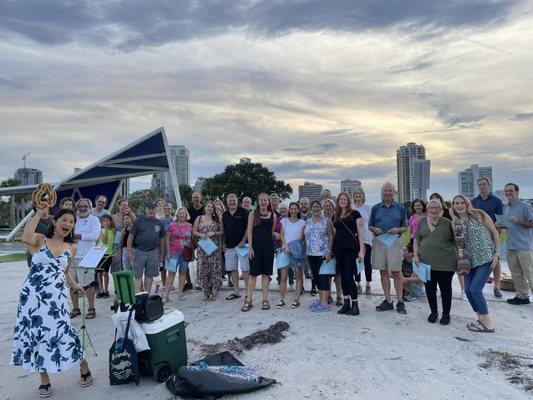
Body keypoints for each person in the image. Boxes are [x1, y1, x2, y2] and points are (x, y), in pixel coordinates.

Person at [14, 206, 93, 398]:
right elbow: (25, 238)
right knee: (37, 337)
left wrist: (75, 286)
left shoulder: (72, 247)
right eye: (64, 220)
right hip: (31, 298)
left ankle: (83, 365)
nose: (68, 224)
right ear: (55, 222)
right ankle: (44, 381)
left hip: (56, 298)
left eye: (71, 222)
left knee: (63, 332)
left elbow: (65, 273)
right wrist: (37, 214)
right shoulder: (40, 240)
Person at [451, 194, 499, 332]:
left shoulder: (479, 214)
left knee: (475, 290)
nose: (459, 205)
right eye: (456, 203)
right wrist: (456, 224)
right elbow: (460, 244)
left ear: (467, 204)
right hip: (468, 261)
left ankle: (488, 324)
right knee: (467, 290)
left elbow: (494, 233)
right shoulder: (457, 223)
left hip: (485, 258)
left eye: (462, 202)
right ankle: (481, 319)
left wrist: (497, 253)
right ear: (453, 206)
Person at [413, 199, 458, 325]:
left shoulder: (447, 222)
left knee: (445, 289)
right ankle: (434, 312)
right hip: (426, 261)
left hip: (446, 262)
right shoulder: (422, 222)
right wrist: (415, 255)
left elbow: (457, 240)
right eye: (431, 207)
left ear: (440, 209)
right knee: (430, 289)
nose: (433, 210)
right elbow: (416, 239)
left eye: (436, 208)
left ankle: (446, 314)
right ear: (427, 209)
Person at [369, 182, 408, 314]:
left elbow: (405, 227)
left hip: (394, 242)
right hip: (379, 242)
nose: (387, 193)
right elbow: (370, 225)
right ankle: (388, 300)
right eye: (385, 190)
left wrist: (397, 229)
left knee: (397, 271)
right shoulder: (375, 208)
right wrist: (374, 229)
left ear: (394, 192)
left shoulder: (400, 208)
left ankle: (400, 301)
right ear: (382, 192)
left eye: (390, 191)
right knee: (383, 271)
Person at [499, 183, 533, 305]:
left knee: (530, 274)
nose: (509, 193)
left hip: (524, 246)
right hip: (510, 245)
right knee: (516, 273)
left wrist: (518, 221)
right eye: (506, 191)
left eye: (511, 190)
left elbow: (531, 223)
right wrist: (500, 224)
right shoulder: (505, 207)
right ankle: (522, 296)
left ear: (517, 192)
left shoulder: (525, 206)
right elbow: (508, 225)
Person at [242, 193, 277, 311]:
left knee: (266, 274)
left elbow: (271, 233)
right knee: (253, 274)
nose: (263, 202)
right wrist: (250, 247)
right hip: (255, 248)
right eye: (261, 200)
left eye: (265, 200)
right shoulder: (252, 213)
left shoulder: (273, 215)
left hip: (268, 248)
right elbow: (250, 231)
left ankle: (265, 300)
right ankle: (248, 300)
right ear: (258, 201)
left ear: (268, 202)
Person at [472, 177, 504, 298]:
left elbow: (500, 221)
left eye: (484, 184)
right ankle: (478, 287)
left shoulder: (496, 201)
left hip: (492, 234)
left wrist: (497, 236)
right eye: (479, 185)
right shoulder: (474, 201)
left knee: (495, 261)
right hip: (478, 236)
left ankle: (496, 287)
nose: (482, 186)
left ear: (488, 185)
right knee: (479, 260)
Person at [333, 192, 365, 316]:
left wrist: (362, 250)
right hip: (339, 249)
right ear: (338, 201)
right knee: (342, 277)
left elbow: (361, 233)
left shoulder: (355, 214)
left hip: (352, 249)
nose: (342, 201)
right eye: (340, 199)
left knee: (348, 276)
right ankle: (346, 303)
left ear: (348, 200)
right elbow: (334, 234)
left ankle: (355, 305)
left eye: (345, 199)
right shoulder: (336, 215)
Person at [69, 198, 100, 320]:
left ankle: (91, 308)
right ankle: (76, 308)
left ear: (90, 207)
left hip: (87, 257)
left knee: (88, 285)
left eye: (85, 206)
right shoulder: (73, 219)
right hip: (72, 256)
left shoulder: (94, 220)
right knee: (72, 285)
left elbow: (95, 236)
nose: (83, 208)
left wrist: (77, 236)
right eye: (80, 206)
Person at [431, 192, 465, 299]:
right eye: (433, 200)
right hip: (438, 246)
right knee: (440, 269)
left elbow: (458, 224)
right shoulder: (431, 214)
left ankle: (464, 290)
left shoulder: (448, 212)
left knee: (459, 267)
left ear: (441, 200)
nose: (435, 202)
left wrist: (459, 240)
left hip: (453, 243)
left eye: (437, 199)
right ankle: (442, 290)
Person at [127, 201, 165, 293]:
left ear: (156, 210)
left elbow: (162, 240)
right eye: (149, 208)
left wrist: (161, 255)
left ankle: (146, 296)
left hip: (153, 252)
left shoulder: (159, 223)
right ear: (146, 209)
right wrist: (129, 251)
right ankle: (139, 296)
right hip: (139, 252)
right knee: (137, 277)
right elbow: (131, 236)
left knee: (149, 277)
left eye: (153, 208)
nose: (151, 210)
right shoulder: (139, 220)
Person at [305, 200, 334, 312]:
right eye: (314, 206)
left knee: (323, 278)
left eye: (318, 206)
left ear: (321, 208)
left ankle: (325, 304)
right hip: (311, 254)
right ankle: (321, 300)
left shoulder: (326, 221)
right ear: (310, 208)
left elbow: (331, 237)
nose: (316, 208)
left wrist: (329, 251)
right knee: (316, 278)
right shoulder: (308, 221)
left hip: (322, 254)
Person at [193, 201, 224, 300]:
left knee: (214, 268)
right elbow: (194, 231)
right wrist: (200, 234)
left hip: (214, 247)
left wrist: (214, 233)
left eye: (212, 207)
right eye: (208, 206)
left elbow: (223, 232)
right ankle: (206, 291)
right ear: (205, 208)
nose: (210, 208)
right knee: (202, 269)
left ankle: (214, 291)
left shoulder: (217, 219)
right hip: (202, 247)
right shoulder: (199, 218)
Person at [278, 202, 306, 308]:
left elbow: (300, 237)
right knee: (283, 277)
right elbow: (281, 234)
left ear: (298, 210)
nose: (293, 210)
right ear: (289, 210)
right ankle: (282, 299)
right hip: (285, 251)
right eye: (291, 208)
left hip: (297, 252)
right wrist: (286, 246)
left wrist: (293, 248)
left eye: (295, 209)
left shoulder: (302, 222)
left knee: (299, 276)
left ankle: (297, 299)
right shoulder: (283, 221)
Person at [222, 194, 249, 300]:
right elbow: (224, 230)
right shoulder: (225, 214)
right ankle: (236, 292)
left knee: (245, 269)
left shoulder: (243, 212)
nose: (232, 202)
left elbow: (248, 228)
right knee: (233, 269)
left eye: (234, 200)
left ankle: (248, 293)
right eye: (230, 201)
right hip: (229, 246)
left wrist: (243, 240)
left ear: (237, 201)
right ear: (227, 202)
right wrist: (223, 243)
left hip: (243, 246)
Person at [165, 207, 193, 302]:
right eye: (180, 213)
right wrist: (168, 253)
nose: (181, 215)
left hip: (185, 253)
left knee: (183, 273)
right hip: (174, 253)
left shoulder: (190, 226)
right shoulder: (171, 225)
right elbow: (167, 240)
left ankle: (180, 293)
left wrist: (192, 253)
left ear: (186, 215)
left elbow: (191, 241)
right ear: (177, 214)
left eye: (183, 213)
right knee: (171, 273)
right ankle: (166, 295)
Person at [353, 188, 373, 295]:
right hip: (355, 239)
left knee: (367, 262)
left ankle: (368, 284)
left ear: (363, 195)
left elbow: (371, 223)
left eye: (360, 193)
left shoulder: (368, 208)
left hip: (366, 238)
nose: (358, 195)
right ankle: (358, 284)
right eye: (356, 194)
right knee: (357, 262)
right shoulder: (351, 208)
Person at [323, 199, 343, 305]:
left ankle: (339, 295)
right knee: (327, 273)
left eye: (330, 205)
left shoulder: (337, 218)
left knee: (337, 274)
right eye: (326, 205)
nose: (328, 207)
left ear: (333, 207)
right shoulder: (321, 219)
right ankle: (329, 295)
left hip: (337, 248)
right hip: (324, 249)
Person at [112, 199, 136, 272]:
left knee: (129, 256)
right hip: (118, 235)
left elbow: (136, 222)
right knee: (117, 255)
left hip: (129, 234)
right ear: (119, 206)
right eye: (123, 205)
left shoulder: (130, 215)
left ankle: (130, 274)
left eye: (126, 205)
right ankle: (117, 273)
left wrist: (130, 212)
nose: (125, 207)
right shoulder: (114, 216)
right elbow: (112, 228)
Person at [187, 192, 204, 289]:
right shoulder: (189, 210)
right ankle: (194, 281)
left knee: (203, 261)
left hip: (204, 237)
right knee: (193, 261)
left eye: (197, 197)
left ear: (200, 198)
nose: (196, 199)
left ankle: (203, 280)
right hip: (193, 238)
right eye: (194, 197)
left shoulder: (204, 209)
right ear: (192, 199)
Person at [96, 214, 115, 299]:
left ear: (110, 221)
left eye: (108, 220)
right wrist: (105, 230)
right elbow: (103, 240)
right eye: (104, 221)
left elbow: (108, 241)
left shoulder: (113, 231)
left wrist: (107, 229)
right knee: (99, 273)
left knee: (105, 273)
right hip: (99, 254)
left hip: (108, 254)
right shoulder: (100, 231)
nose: (106, 222)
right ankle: (101, 290)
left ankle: (106, 289)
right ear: (101, 222)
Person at [160, 202, 174, 288]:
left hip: (172, 243)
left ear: (171, 210)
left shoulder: (174, 220)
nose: (167, 210)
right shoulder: (160, 220)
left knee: (171, 263)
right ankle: (164, 282)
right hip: (163, 244)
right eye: (165, 209)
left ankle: (170, 282)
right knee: (163, 263)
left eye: (168, 209)